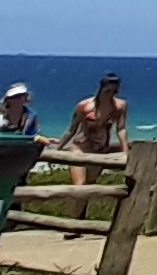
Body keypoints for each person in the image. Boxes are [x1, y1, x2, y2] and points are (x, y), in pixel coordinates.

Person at [55, 73, 129, 221]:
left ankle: (78, 219)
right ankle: (73, 222)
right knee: (80, 185)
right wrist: (57, 149)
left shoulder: (120, 106)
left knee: (90, 186)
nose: (110, 95)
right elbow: (72, 130)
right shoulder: (84, 106)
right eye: (108, 91)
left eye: (114, 92)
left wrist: (125, 150)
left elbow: (121, 129)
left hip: (100, 150)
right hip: (81, 148)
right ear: (101, 89)